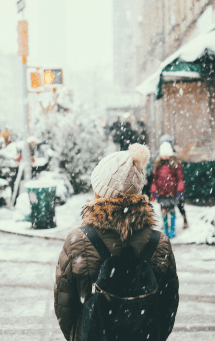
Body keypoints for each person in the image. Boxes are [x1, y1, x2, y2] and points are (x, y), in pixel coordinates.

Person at [54, 143, 179, 341]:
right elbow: (168, 307)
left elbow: (64, 305)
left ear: (99, 192)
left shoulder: (78, 240)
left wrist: (78, 336)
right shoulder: (159, 243)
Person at [151, 141, 188, 238]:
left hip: (172, 194)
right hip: (162, 194)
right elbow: (155, 181)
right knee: (163, 212)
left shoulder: (175, 165)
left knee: (172, 211)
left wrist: (180, 192)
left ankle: (172, 230)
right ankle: (166, 230)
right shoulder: (158, 165)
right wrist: (154, 193)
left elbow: (180, 179)